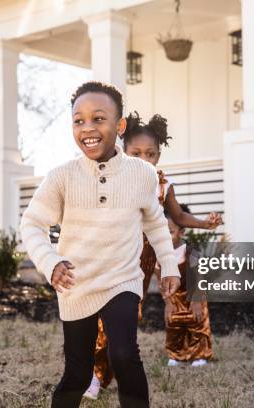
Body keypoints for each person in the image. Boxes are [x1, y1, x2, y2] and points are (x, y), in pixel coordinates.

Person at [19, 81, 181, 408]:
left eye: (98, 118)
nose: (87, 128)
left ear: (119, 126)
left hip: (122, 278)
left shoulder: (142, 174)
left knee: (124, 354)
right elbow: (32, 224)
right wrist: (49, 262)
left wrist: (169, 263)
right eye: (78, 121)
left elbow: (155, 222)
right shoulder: (61, 177)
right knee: (78, 374)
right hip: (76, 284)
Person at [85, 112, 222, 399]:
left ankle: (117, 371)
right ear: (124, 150)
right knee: (106, 316)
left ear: (159, 156)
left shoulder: (163, 185)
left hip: (144, 264)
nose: (144, 158)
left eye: (151, 153)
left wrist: (205, 223)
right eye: (137, 152)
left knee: (126, 319)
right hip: (115, 256)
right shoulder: (112, 178)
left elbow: (179, 216)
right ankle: (95, 376)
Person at [158, 205, 213, 367]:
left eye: (170, 232)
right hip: (173, 296)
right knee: (173, 323)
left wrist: (196, 302)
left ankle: (199, 355)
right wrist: (168, 303)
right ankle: (176, 354)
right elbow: (161, 281)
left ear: (182, 232)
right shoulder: (159, 255)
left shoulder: (191, 252)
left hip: (194, 294)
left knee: (197, 323)